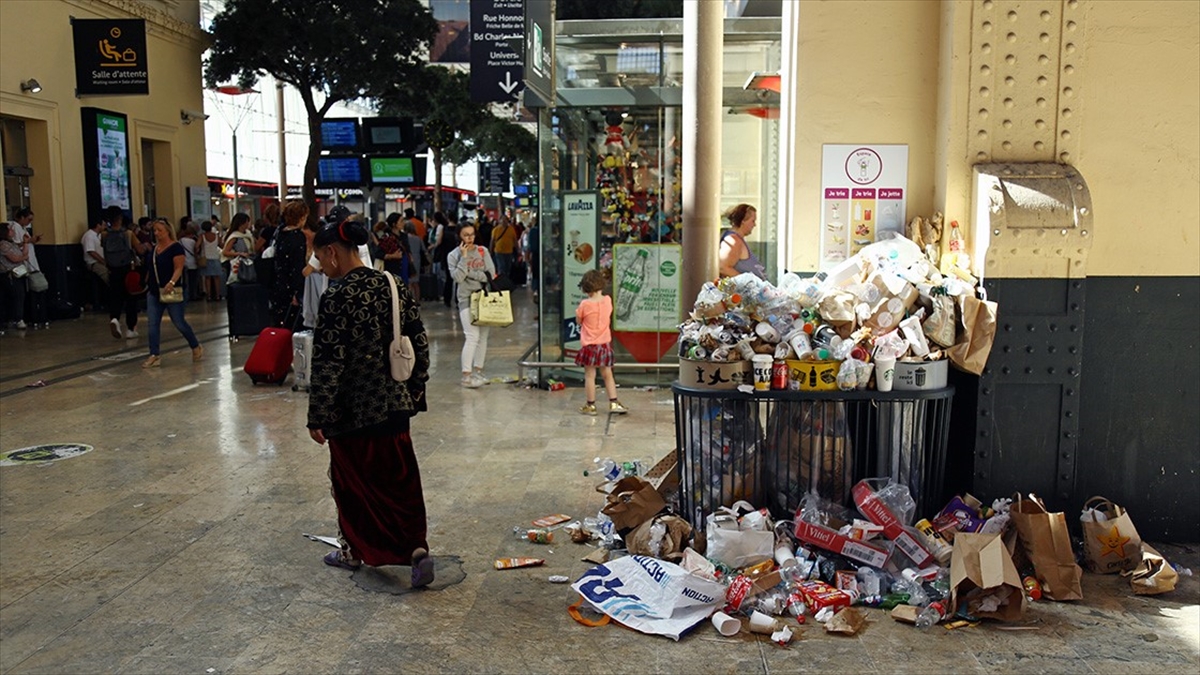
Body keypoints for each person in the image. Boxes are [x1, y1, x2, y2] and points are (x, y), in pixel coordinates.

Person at [305, 219, 434, 586]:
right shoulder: (392, 285)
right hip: (394, 406)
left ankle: (353, 550)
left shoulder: (336, 296)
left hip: (352, 412)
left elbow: (329, 361)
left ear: (333, 252)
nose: (321, 266)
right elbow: (418, 341)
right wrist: (416, 387)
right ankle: (416, 550)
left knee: (354, 487)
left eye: (320, 258)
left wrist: (318, 414)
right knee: (401, 484)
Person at [141, 218, 203, 368]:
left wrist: (171, 282)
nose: (156, 233)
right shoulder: (155, 249)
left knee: (179, 322)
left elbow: (178, 268)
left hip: (172, 290)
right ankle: (154, 354)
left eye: (159, 231)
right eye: (154, 231)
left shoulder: (176, 248)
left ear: (168, 231)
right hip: (155, 291)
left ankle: (195, 345)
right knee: (153, 324)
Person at [447, 222, 496, 388]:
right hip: (466, 298)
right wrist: (465, 257)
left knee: (483, 337)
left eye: (472, 234)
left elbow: (490, 274)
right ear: (459, 236)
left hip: (484, 297)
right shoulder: (453, 255)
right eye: (465, 235)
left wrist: (471, 273)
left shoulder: (483, 251)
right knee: (472, 336)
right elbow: (458, 277)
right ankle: (466, 376)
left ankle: (478, 371)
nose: (469, 238)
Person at [574, 269, 629, 415]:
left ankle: (590, 405)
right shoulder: (607, 301)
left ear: (585, 288)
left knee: (590, 376)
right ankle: (614, 402)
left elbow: (579, 320)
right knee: (608, 374)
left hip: (589, 346)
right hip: (604, 345)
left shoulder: (585, 304)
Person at [101, 205, 140, 339]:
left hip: (112, 269)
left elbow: (104, 251)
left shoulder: (104, 235)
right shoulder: (128, 234)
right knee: (131, 299)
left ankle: (115, 318)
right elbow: (139, 249)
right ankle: (131, 329)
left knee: (115, 296)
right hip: (128, 269)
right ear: (121, 217)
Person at [272, 200, 310, 327]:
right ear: (301, 217)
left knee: (282, 322)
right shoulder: (298, 236)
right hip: (292, 286)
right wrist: (297, 291)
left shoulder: (280, 233)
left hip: (279, 283)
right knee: (294, 324)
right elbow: (297, 265)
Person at [11, 208, 47, 329]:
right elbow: (16, 245)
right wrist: (28, 241)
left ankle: (37, 316)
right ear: (21, 217)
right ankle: (23, 317)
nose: (29, 222)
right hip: (22, 264)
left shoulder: (23, 228)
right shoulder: (15, 227)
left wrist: (32, 241)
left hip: (30, 260)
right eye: (28, 219)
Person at [718, 203, 766, 280]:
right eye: (753, 221)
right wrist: (748, 283)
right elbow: (723, 267)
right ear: (743, 221)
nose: (754, 225)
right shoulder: (733, 241)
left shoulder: (738, 240)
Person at [0, 222, 29, 332]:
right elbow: (15, 259)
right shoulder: (3, 245)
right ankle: (16, 319)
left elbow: (23, 255)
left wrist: (25, 243)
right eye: (10, 230)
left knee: (20, 296)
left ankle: (17, 318)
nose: (12, 232)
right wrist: (24, 257)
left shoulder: (12, 244)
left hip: (19, 273)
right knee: (16, 296)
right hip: (9, 275)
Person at [430, 211, 457, 307]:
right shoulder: (459, 229)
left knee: (449, 278)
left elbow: (439, 242)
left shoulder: (444, 229)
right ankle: (458, 300)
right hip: (459, 255)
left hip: (447, 255)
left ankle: (447, 299)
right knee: (459, 278)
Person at [221, 213, 256, 284]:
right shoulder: (234, 236)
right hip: (237, 263)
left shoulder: (248, 234)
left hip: (248, 261)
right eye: (247, 221)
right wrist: (239, 253)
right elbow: (225, 252)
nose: (248, 224)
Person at [178, 219, 202, 301]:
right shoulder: (193, 241)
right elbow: (196, 251)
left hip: (184, 263)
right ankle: (194, 295)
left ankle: (187, 296)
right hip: (193, 263)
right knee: (193, 281)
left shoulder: (180, 241)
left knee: (186, 281)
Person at [199, 221, 223, 301]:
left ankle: (209, 296)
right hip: (215, 257)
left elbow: (196, 246)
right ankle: (217, 295)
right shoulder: (216, 236)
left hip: (206, 258)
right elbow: (221, 245)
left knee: (207, 278)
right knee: (217, 278)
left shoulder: (202, 236)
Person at [403, 222, 427, 304]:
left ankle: (410, 299)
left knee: (409, 282)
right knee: (416, 282)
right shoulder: (418, 238)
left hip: (408, 259)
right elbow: (423, 249)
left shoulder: (405, 238)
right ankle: (417, 300)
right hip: (417, 260)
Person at [490, 215, 518, 281]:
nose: (504, 221)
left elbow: (515, 240)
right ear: (499, 221)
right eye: (502, 220)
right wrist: (490, 251)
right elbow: (492, 241)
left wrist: (517, 249)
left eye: (505, 220)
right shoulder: (496, 230)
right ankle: (501, 282)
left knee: (508, 268)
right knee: (501, 267)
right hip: (499, 252)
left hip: (509, 252)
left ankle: (506, 281)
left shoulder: (511, 229)